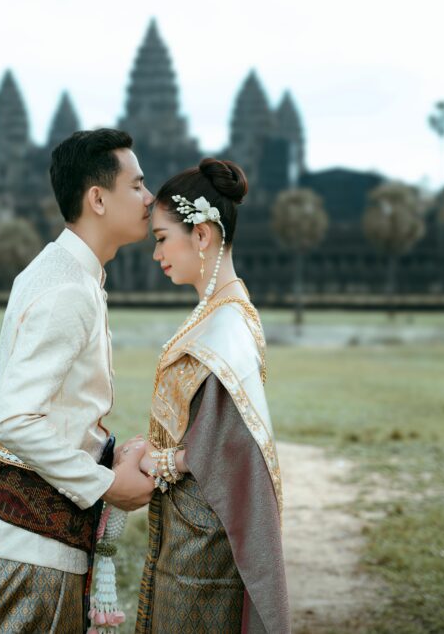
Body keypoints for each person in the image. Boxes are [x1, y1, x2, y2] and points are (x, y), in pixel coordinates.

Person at [0, 128, 157, 633]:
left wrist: (107, 450)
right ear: (98, 199)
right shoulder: (68, 288)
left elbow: (57, 409)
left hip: (10, 545)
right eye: (137, 186)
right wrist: (108, 485)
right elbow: (16, 418)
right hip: (28, 561)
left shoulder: (62, 272)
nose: (150, 199)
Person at [135, 158, 291, 633]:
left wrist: (160, 462)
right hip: (189, 526)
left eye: (162, 238)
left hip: (206, 543)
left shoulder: (228, 325)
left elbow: (231, 446)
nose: (157, 253)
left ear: (201, 235)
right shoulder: (219, 314)